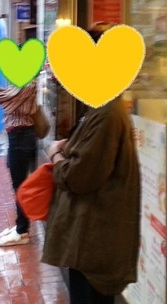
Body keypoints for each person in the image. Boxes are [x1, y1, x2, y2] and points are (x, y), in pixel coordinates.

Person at [41, 23, 141, 304]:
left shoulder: (107, 114)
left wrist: (55, 154)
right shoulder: (101, 107)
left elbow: (79, 178)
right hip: (89, 240)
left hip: (93, 244)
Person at [0, 61, 38, 247]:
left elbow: (4, 100)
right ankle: (21, 226)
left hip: (22, 137)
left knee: (20, 185)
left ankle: (22, 231)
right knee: (19, 184)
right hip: (19, 136)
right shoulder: (22, 81)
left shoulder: (27, 82)